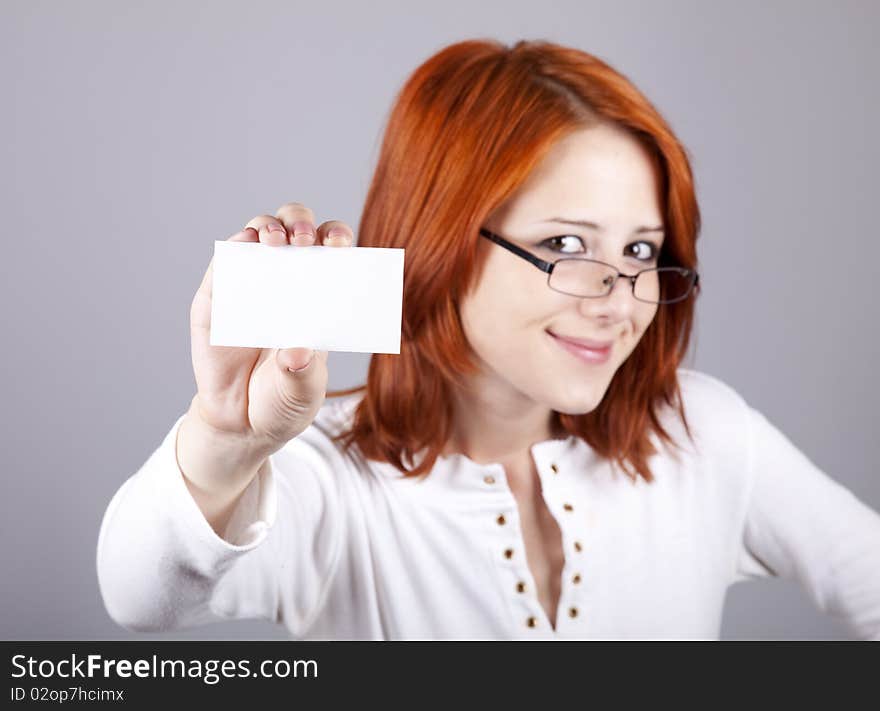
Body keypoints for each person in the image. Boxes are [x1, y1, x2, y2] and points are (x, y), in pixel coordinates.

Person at [96, 38, 880, 640]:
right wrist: (224, 438)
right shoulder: (328, 477)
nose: (619, 301)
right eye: (569, 245)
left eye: (641, 249)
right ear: (447, 237)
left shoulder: (700, 435)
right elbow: (137, 593)